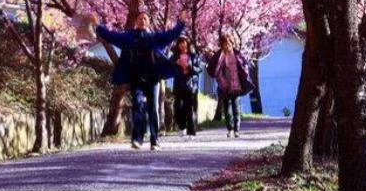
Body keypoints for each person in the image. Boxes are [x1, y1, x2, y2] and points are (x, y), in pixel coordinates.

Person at [94, 12, 185, 150]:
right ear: (136, 21)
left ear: (148, 22)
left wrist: (181, 23)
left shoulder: (154, 37)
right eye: (140, 18)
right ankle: (137, 139)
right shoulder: (129, 37)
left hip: (153, 78)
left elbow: (171, 34)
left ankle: (155, 141)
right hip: (136, 78)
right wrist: (97, 25)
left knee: (152, 108)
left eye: (145, 18)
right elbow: (111, 36)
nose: (142, 20)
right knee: (137, 105)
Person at [207, 32, 252, 138]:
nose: (227, 46)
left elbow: (244, 65)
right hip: (224, 86)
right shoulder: (219, 55)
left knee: (236, 107)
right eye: (224, 44)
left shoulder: (237, 54)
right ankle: (230, 129)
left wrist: (244, 73)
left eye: (229, 43)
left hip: (236, 85)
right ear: (221, 44)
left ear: (232, 43)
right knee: (227, 109)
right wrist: (221, 80)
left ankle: (237, 129)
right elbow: (213, 69)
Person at [171, 34, 202, 137]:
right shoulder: (174, 57)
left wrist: (190, 66)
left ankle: (191, 132)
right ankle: (182, 126)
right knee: (178, 108)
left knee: (189, 109)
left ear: (187, 44)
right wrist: (176, 64)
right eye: (180, 43)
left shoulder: (193, 56)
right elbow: (170, 69)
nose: (182, 45)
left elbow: (199, 69)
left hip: (190, 86)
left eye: (184, 43)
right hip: (179, 85)